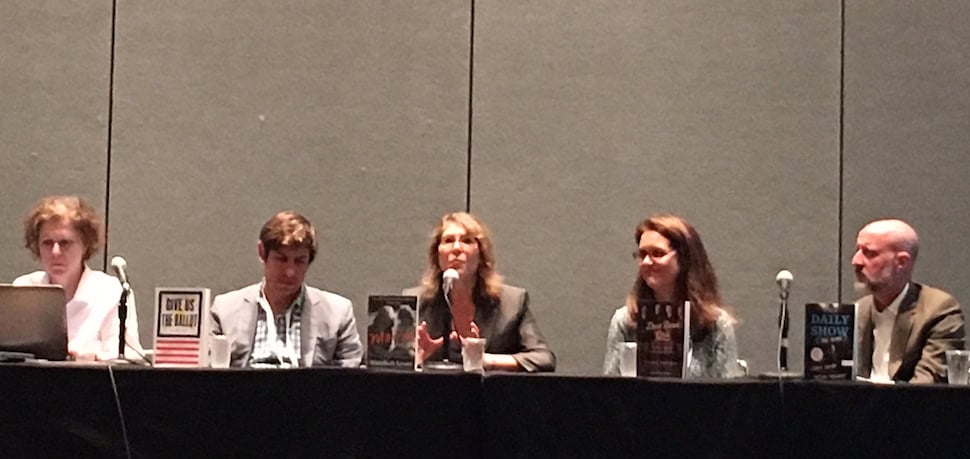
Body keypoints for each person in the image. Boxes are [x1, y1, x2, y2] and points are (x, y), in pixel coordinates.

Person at [406, 212, 555, 372]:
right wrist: (417, 360)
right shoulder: (414, 301)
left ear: (481, 254)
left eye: (467, 241)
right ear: (437, 255)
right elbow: (388, 361)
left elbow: (543, 358)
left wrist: (484, 359)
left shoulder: (512, 302)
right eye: (448, 241)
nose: (456, 248)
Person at [210, 211, 362, 368]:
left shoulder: (338, 313)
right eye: (281, 259)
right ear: (262, 252)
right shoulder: (224, 310)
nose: (290, 271)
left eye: (299, 261)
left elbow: (350, 378)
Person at [603, 214, 741, 378]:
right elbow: (609, 391)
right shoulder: (624, 321)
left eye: (657, 253)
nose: (646, 262)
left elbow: (729, 395)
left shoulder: (717, 325)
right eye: (642, 254)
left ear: (684, 258)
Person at [14, 195, 142, 361]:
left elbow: (129, 357)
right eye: (47, 243)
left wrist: (95, 356)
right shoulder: (24, 289)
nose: (55, 252)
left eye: (65, 243)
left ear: (85, 245)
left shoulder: (111, 292)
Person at [852, 219, 965, 383]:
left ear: (901, 262)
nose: (856, 261)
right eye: (857, 251)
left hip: (908, 407)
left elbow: (928, 383)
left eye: (869, 253)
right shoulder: (859, 310)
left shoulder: (939, 310)